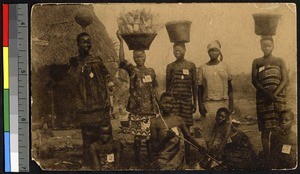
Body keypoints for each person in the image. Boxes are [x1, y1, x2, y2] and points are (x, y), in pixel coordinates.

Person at [68, 32, 114, 168]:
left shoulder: (97, 59)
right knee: (87, 134)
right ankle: (88, 162)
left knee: (104, 132)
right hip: (85, 104)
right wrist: (78, 67)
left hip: (100, 103)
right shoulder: (74, 61)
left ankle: (107, 161)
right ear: (77, 44)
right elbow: (71, 79)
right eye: (83, 42)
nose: (86, 45)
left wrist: (110, 83)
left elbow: (106, 74)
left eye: (88, 41)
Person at [116, 31, 159, 167]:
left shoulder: (151, 71)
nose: (139, 58)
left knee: (149, 138)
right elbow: (121, 60)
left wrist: (159, 105)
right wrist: (121, 42)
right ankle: (138, 162)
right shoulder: (132, 70)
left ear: (145, 56)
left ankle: (151, 161)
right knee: (137, 138)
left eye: (141, 56)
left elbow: (155, 89)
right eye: (136, 57)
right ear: (134, 58)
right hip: (136, 109)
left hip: (149, 110)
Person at [251, 36, 288, 159]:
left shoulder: (279, 60)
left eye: (269, 45)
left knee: (279, 127)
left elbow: (285, 80)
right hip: (263, 99)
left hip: (278, 99)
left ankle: (278, 155)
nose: (266, 48)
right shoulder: (257, 62)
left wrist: (274, 94)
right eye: (264, 45)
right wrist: (267, 94)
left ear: (273, 46)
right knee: (265, 129)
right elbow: (255, 81)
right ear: (261, 47)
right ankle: (267, 157)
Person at [150, 92, 206, 170]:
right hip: (163, 158)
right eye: (165, 103)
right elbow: (155, 147)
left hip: (178, 158)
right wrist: (166, 138)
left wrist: (200, 147)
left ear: (174, 105)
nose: (168, 106)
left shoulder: (178, 120)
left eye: (170, 103)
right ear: (160, 103)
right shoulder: (155, 122)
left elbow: (188, 137)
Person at [197, 40, 234, 144]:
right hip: (209, 104)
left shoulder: (225, 66)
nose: (213, 53)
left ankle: (223, 156)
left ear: (219, 51)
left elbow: (230, 87)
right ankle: (210, 156)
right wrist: (200, 105)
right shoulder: (202, 68)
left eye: (216, 50)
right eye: (211, 51)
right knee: (209, 131)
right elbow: (199, 88)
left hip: (223, 103)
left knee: (225, 131)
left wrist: (231, 104)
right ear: (208, 52)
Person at [166, 43, 197, 163]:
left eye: (180, 50)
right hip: (174, 103)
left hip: (186, 101)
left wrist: (195, 103)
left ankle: (188, 157)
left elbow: (194, 86)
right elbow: (168, 88)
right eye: (175, 50)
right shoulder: (170, 66)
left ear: (185, 50)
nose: (177, 52)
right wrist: (167, 105)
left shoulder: (191, 65)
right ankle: (176, 157)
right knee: (174, 129)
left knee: (187, 130)